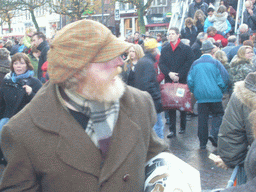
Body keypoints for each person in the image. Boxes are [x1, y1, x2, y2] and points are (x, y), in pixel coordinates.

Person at [0, 20, 168, 191]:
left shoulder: (139, 103)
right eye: (108, 57)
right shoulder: (22, 131)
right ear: (77, 69)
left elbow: (156, 157)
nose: (120, 62)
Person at [187, 40, 229, 149]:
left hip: (201, 97)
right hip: (215, 95)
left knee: (202, 118)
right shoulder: (216, 63)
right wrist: (222, 90)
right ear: (212, 51)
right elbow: (224, 79)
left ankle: (202, 143)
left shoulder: (195, 63)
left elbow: (190, 81)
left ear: (202, 51)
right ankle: (214, 134)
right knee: (218, 114)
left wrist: (195, 91)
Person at [159, 27, 194, 138]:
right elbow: (161, 63)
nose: (171, 36)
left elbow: (189, 62)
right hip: (169, 79)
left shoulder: (186, 49)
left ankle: (183, 126)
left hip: (181, 79)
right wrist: (169, 73)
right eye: (169, 34)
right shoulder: (165, 49)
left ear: (178, 35)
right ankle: (172, 130)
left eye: (173, 34)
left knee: (182, 102)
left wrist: (179, 75)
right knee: (171, 104)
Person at [0, 53, 42, 132]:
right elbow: (1, 103)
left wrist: (31, 93)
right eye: (15, 63)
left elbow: (41, 104)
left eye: (22, 63)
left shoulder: (35, 83)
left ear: (27, 65)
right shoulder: (7, 81)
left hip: (26, 122)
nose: (18, 66)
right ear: (12, 66)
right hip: (7, 120)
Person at [133, 38, 164, 139]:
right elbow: (149, 84)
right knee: (157, 127)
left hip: (143, 100)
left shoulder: (141, 62)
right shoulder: (148, 64)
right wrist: (157, 98)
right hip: (151, 101)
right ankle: (160, 150)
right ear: (154, 50)